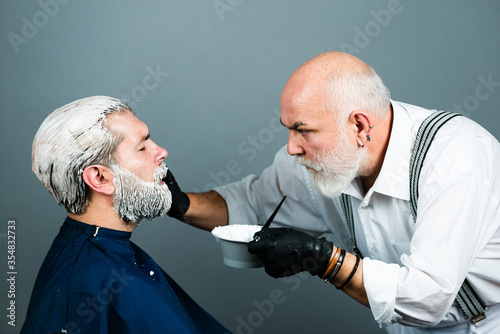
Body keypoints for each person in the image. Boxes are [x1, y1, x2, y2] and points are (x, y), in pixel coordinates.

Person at [165, 52, 500, 333]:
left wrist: (323, 260)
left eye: (303, 131)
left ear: (359, 126)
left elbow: (427, 295)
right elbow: (253, 205)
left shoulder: (456, 157)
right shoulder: (324, 159)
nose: (291, 148)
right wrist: (178, 203)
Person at [22, 96, 229, 334]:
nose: (162, 152)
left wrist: (180, 203)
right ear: (100, 178)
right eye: (142, 147)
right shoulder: (102, 284)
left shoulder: (85, 253)